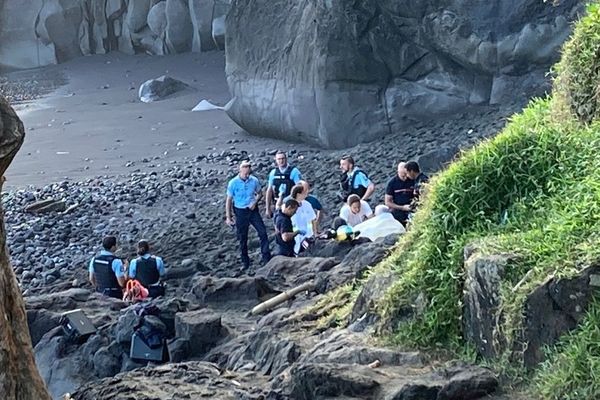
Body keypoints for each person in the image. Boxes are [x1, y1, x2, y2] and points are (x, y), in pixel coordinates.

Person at [226, 160, 272, 270]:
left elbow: (260, 193)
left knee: (263, 232)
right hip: (240, 211)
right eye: (245, 171)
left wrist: (255, 202)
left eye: (248, 171)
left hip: (252, 210)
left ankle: (266, 258)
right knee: (243, 237)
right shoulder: (233, 183)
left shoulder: (254, 180)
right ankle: (245, 262)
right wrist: (229, 216)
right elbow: (229, 200)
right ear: (240, 170)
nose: (247, 173)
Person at [265, 151, 302, 218]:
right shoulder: (273, 173)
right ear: (276, 160)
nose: (281, 161)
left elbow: (300, 188)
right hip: (278, 203)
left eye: (283, 158)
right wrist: (267, 208)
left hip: (291, 204)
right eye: (279, 159)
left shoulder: (294, 171)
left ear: (286, 159)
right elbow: (269, 190)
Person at [287, 184, 317, 254]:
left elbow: (313, 219)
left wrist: (315, 233)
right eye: (304, 193)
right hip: (295, 237)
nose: (306, 195)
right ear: (298, 194)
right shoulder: (290, 206)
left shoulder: (307, 204)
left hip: (308, 235)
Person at [385, 162, 415, 226]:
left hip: (412, 205)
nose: (405, 178)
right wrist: (402, 208)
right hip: (398, 208)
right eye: (403, 176)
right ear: (398, 172)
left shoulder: (411, 179)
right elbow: (387, 202)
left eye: (406, 174)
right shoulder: (392, 183)